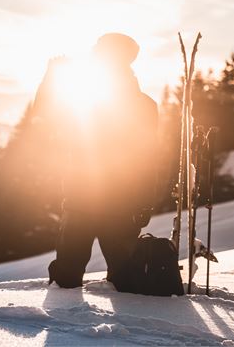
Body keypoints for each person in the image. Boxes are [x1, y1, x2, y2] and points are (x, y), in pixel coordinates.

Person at [34, 33, 158, 291]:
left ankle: (66, 327)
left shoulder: (85, 97)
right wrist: (145, 202)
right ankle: (135, 328)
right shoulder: (143, 104)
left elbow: (44, 114)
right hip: (116, 202)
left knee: (68, 279)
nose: (92, 52)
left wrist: (53, 77)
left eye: (98, 48)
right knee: (124, 282)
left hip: (90, 200)